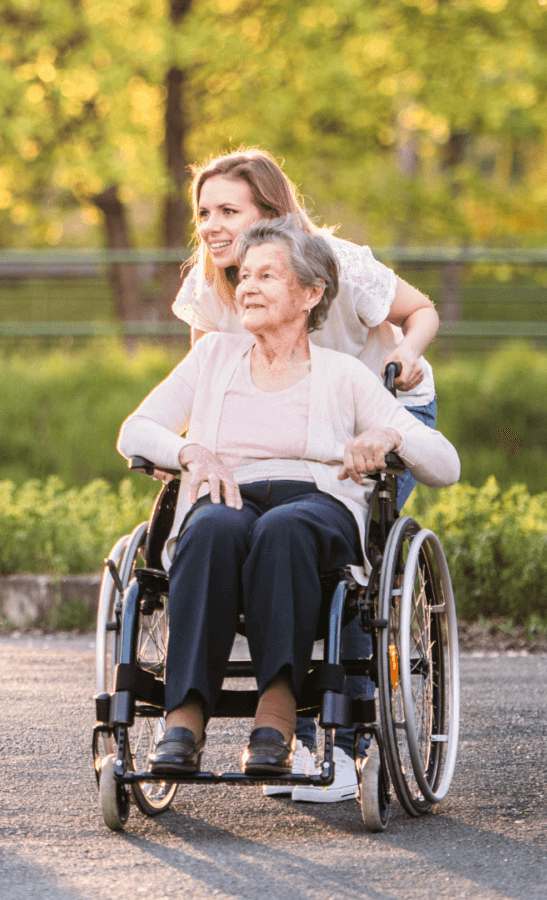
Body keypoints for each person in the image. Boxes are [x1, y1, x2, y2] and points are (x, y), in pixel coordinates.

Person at [117, 216, 459, 781]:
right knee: (209, 529)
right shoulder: (212, 358)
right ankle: (185, 715)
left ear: (310, 293)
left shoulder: (344, 375)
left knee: (286, 530)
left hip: (316, 504)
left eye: (267, 276)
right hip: (229, 493)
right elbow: (135, 430)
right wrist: (191, 453)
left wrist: (390, 435)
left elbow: (445, 462)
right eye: (244, 275)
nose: (247, 286)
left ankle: (274, 712)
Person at [171, 147, 440, 801]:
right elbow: (211, 389)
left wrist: (404, 352)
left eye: (228, 210)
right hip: (283, 434)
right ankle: (225, 718)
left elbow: (421, 309)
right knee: (234, 527)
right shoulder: (213, 283)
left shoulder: (336, 263)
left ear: (271, 211)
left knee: (346, 562)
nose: (210, 224)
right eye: (203, 211)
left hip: (379, 409)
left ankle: (342, 746)